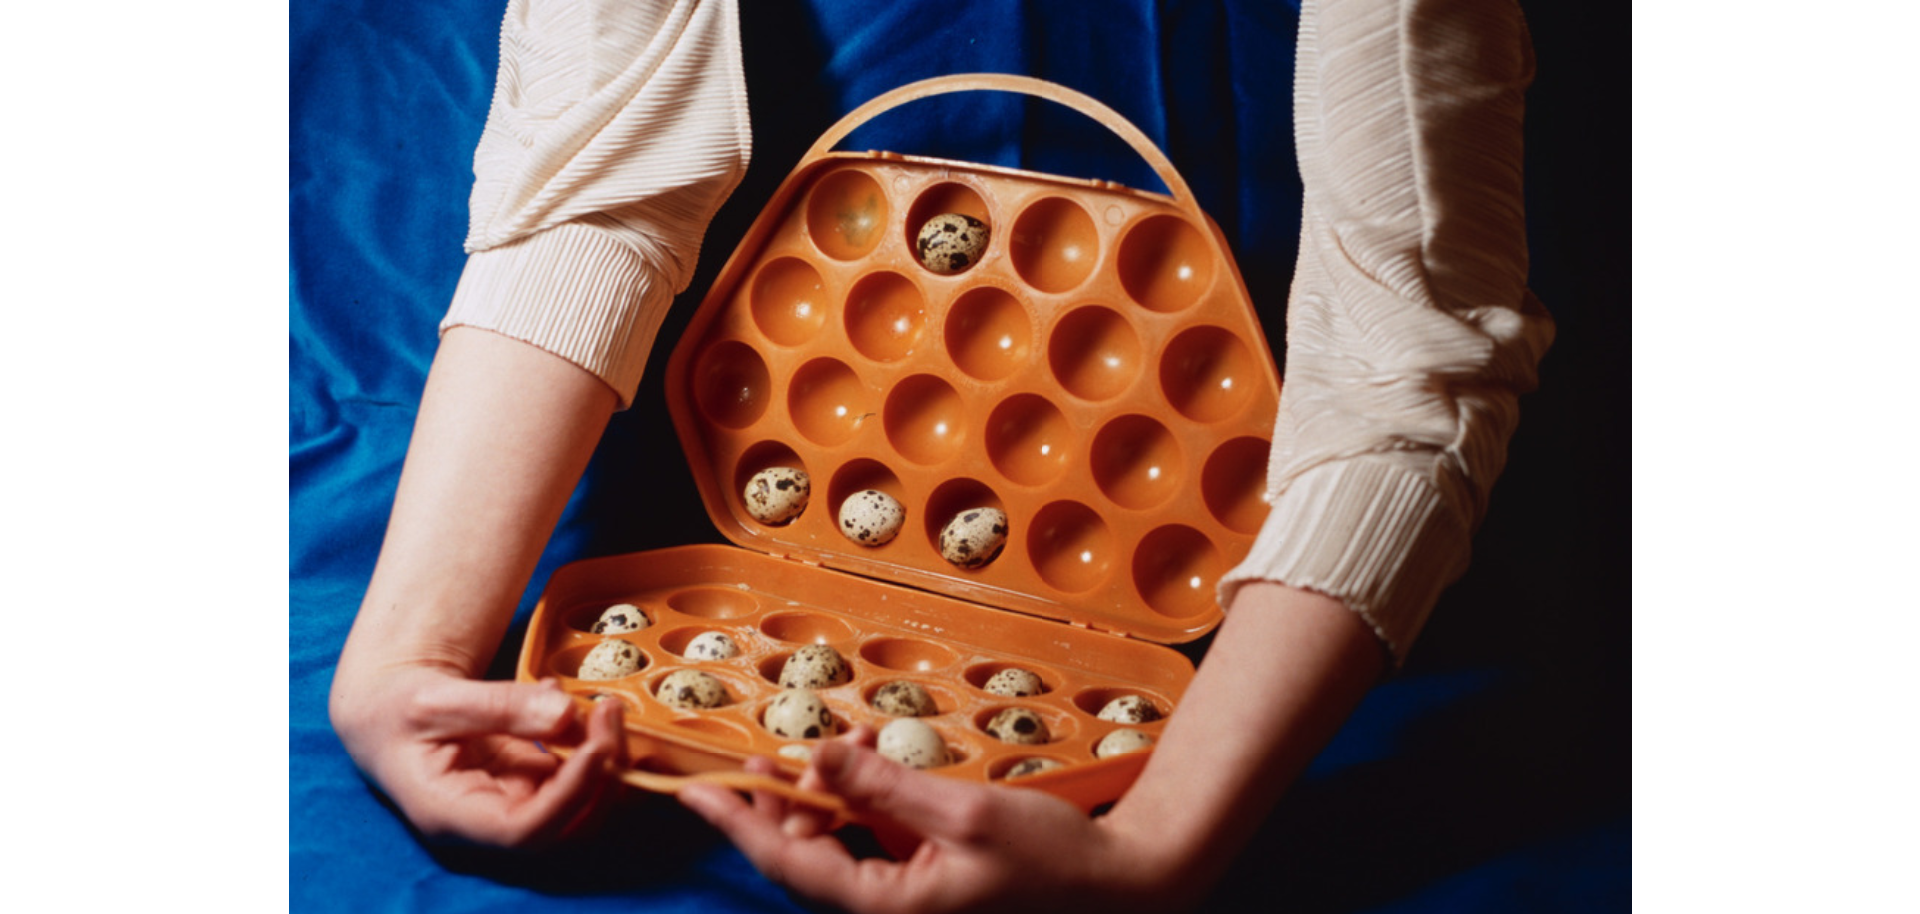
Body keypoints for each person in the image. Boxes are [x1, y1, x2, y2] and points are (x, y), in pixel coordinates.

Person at [327, 0, 1552, 908]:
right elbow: (601, 163)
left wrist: (1159, 843)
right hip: (728, 501)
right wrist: (405, 657)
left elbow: (1414, 331)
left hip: (1269, 595)